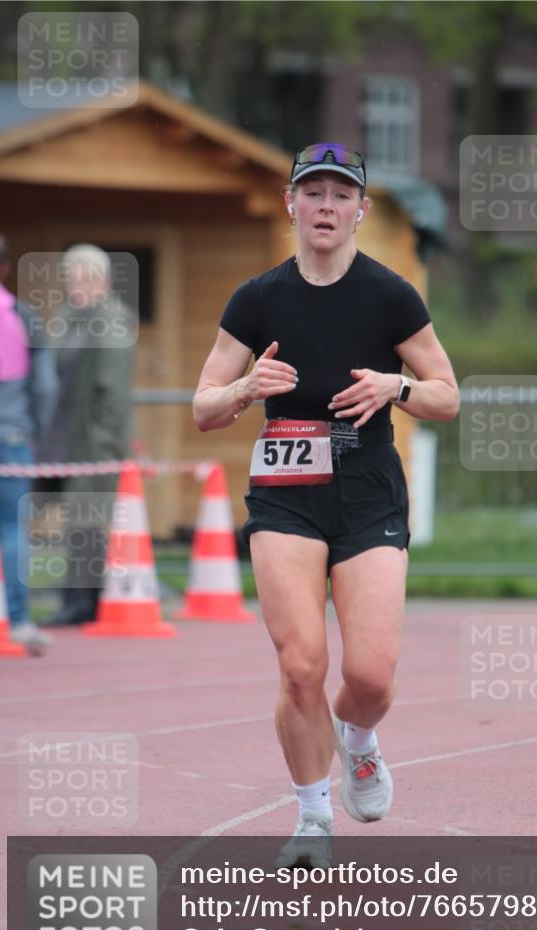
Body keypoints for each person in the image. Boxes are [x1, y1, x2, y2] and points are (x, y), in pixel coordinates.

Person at [193, 144, 459, 866]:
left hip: (368, 492)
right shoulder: (257, 299)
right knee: (301, 666)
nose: (325, 207)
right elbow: (203, 407)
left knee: (368, 675)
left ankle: (360, 740)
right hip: (285, 496)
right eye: (312, 193)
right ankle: (312, 818)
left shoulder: (390, 296)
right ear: (290, 204)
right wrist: (246, 387)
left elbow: (447, 395)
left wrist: (394, 387)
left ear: (360, 212)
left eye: (340, 195)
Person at [42, 244, 136, 626]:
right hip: (66, 437)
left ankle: (83, 602)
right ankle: (85, 599)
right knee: (79, 520)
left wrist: (105, 445)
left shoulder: (111, 318)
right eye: (70, 277)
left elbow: (110, 390)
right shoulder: (70, 318)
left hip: (95, 440)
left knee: (86, 520)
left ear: (103, 280)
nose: (75, 284)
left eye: (84, 277)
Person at [0, 229, 58, 653]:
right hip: (11, 434)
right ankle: (16, 620)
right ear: (5, 268)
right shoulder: (23, 314)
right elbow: (46, 386)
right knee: (13, 529)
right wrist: (35, 428)